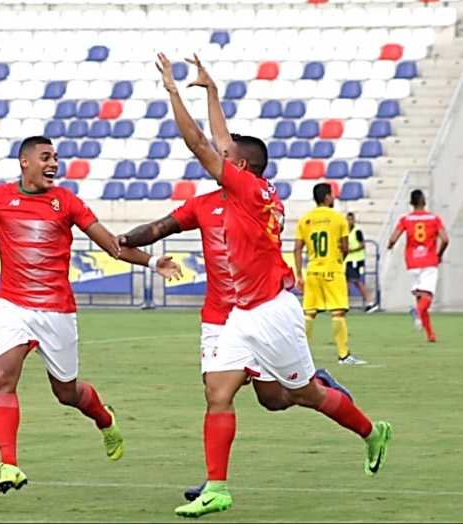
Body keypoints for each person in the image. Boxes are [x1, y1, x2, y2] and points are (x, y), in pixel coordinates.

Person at [156, 52, 392, 518]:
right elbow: (221, 140)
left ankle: (371, 432)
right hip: (243, 314)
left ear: (241, 167)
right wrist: (213, 91)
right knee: (217, 393)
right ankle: (218, 488)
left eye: (228, 158)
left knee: (305, 396)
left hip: (272, 311)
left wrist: (172, 93)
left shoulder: (245, 191)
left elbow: (200, 143)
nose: (220, 158)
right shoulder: (251, 187)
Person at [0, 135, 182, 494]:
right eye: (45, 157)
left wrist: (151, 261)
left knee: (67, 394)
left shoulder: (66, 202)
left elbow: (111, 245)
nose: (53, 163)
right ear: (25, 162)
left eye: (55, 157)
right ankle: (9, 465)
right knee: (3, 377)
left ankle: (105, 419)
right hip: (13, 307)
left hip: (57, 311)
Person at [119, 186, 356, 503]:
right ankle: (214, 482)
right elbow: (158, 227)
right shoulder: (202, 204)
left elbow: (275, 223)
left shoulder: (261, 199)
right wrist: (124, 241)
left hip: (258, 312)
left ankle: (319, 385)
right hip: (218, 318)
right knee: (215, 392)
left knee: (272, 400)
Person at [294, 184, 367, 365]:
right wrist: (339, 259)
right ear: (327, 197)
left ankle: (298, 355)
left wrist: (299, 275)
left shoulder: (305, 220)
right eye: (332, 195)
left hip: (312, 271)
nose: (333, 198)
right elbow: (344, 247)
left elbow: (297, 249)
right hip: (332, 271)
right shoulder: (338, 219)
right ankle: (343, 355)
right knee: (338, 313)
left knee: (309, 313)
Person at [387, 189, 448, 342]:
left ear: (411, 203)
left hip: (412, 262)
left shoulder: (405, 219)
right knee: (427, 297)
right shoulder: (434, 219)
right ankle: (417, 312)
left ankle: (430, 334)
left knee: (420, 297)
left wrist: (390, 246)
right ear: (424, 201)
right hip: (428, 261)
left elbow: (394, 238)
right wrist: (439, 254)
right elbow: (445, 239)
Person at [345, 212, 378, 313]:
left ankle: (370, 302)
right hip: (348, 260)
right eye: (348, 219)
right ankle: (345, 303)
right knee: (347, 282)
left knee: (357, 281)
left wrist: (352, 250)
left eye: (351, 219)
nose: (349, 221)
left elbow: (362, 245)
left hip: (356, 259)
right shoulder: (346, 231)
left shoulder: (357, 231)